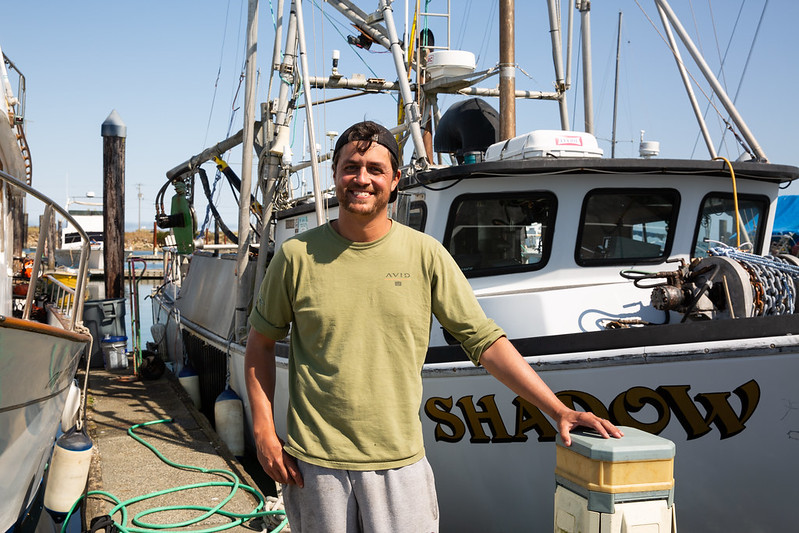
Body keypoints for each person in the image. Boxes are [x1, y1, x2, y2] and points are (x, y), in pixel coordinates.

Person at [244, 120, 622, 532]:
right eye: (351, 167)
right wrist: (264, 429)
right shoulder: (296, 255)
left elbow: (484, 341)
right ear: (335, 173)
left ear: (395, 180)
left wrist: (558, 410)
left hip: (400, 465)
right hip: (316, 467)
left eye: (375, 168)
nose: (362, 179)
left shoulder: (426, 255)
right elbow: (260, 344)